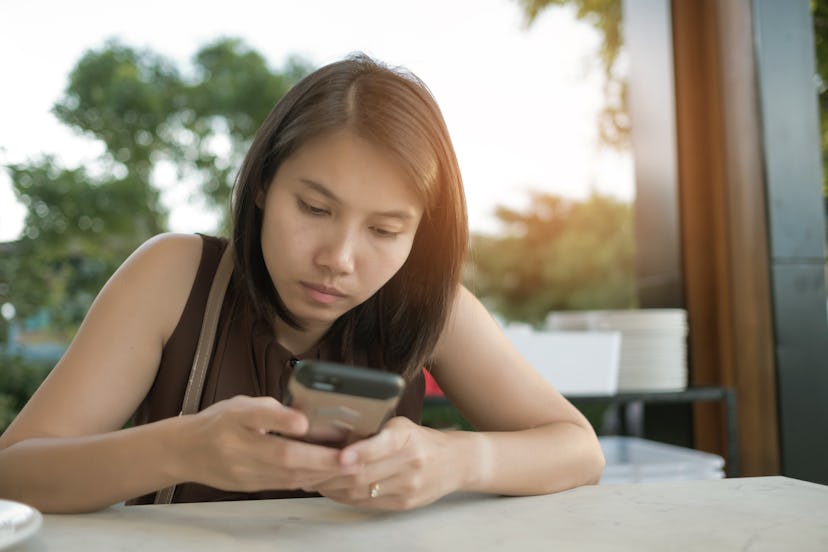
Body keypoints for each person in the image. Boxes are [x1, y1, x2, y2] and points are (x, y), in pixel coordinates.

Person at [0, 53, 604, 513]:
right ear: (263, 184)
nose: (339, 259)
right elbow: (12, 473)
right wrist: (184, 449)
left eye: (385, 230)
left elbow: (579, 450)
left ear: (420, 234)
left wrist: (458, 458)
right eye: (314, 209)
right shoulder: (174, 275)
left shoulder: (431, 307)